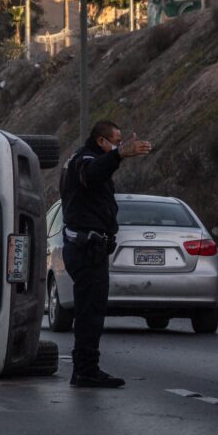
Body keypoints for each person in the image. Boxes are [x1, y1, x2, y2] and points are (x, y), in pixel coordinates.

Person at [60, 120, 152, 388]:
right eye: (115, 140)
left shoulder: (82, 159)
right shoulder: (85, 161)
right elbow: (92, 174)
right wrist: (119, 154)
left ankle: (85, 369)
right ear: (101, 141)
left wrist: (115, 156)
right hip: (86, 249)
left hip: (88, 248)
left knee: (91, 311)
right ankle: (86, 371)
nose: (119, 144)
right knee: (91, 313)